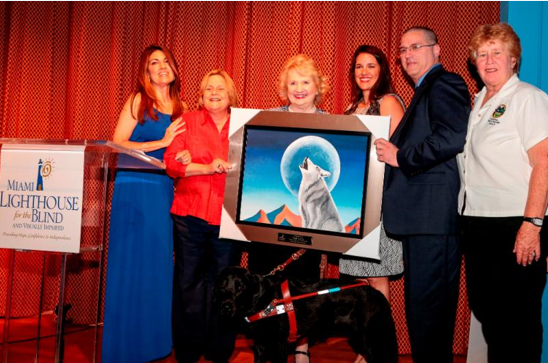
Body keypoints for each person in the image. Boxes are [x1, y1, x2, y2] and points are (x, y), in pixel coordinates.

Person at [375, 27, 470, 363]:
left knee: (429, 317)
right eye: (402, 50)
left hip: (433, 219)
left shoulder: (445, 83)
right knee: (423, 315)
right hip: (421, 220)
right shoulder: (423, 90)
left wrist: (400, 156)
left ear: (437, 49)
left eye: (416, 47)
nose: (408, 54)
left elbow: (451, 137)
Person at [458, 23, 548, 363]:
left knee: (518, 319)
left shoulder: (528, 98)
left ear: (513, 59)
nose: (489, 60)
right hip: (478, 224)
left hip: (516, 224)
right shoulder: (478, 102)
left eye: (497, 52)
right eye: (482, 54)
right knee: (489, 313)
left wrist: (532, 223)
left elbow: (545, 162)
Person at [102, 45, 187, 363]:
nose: (162, 66)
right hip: (133, 188)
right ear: (146, 71)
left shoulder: (182, 107)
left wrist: (182, 155)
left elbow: (178, 155)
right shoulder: (139, 100)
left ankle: (153, 345)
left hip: (163, 191)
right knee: (131, 265)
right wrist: (161, 142)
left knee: (156, 267)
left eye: (167, 61)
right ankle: (124, 346)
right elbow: (116, 144)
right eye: (155, 62)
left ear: (175, 69)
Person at [246, 53, 329, 363]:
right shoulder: (266, 120)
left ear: (317, 86)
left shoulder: (333, 125)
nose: (299, 88)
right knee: (263, 284)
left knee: (303, 288)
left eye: (305, 81)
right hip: (268, 227)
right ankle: (263, 346)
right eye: (293, 82)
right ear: (284, 88)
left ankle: (301, 348)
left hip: (309, 227)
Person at [164, 69, 241, 363]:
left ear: (230, 94)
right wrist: (204, 167)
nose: (214, 92)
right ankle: (187, 350)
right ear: (201, 94)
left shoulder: (244, 125)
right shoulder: (187, 121)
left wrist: (195, 163)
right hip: (189, 214)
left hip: (229, 217)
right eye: (209, 88)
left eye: (220, 88)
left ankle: (220, 350)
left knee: (225, 286)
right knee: (188, 284)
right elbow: (171, 164)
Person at [339, 45, 405, 299]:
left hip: (379, 203)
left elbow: (400, 152)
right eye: (358, 66)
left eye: (370, 66)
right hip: (353, 204)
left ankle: (381, 338)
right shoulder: (351, 107)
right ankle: (365, 337)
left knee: (376, 278)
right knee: (358, 278)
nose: (363, 72)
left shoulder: (388, 102)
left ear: (382, 70)